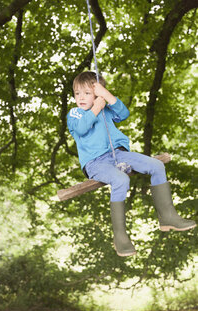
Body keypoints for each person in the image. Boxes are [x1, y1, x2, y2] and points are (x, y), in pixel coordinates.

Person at [67, 71, 196, 257]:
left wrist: (106, 96)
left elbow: (123, 113)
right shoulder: (75, 114)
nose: (81, 97)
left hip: (118, 155)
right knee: (120, 180)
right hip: (95, 162)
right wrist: (96, 106)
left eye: (87, 93)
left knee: (157, 166)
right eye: (78, 93)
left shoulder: (105, 109)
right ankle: (120, 236)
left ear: (97, 94)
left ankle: (168, 217)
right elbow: (81, 128)